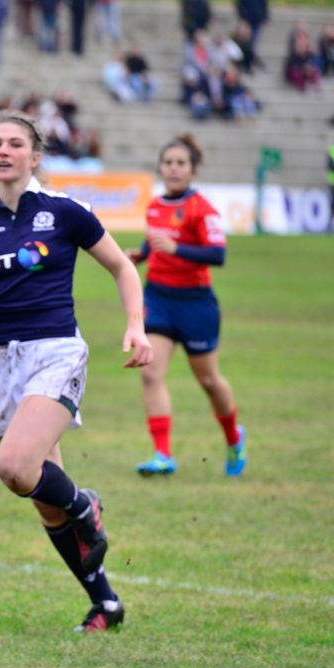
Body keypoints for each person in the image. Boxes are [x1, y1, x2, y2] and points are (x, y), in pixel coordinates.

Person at [0, 111, 153, 633]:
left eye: (15, 144)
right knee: (41, 498)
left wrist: (137, 326)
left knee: (14, 466)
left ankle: (86, 504)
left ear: (34, 157)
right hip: (0, 360)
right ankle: (106, 601)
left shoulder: (65, 211)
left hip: (55, 349)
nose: (3, 151)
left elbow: (122, 267)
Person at [124, 135, 246, 477]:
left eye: (181, 163)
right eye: (168, 163)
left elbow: (217, 255)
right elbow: (154, 242)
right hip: (158, 299)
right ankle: (163, 454)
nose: (174, 169)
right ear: (161, 168)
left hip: (196, 304)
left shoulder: (201, 208)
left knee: (208, 381)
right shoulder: (154, 206)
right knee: (150, 373)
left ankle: (234, 438)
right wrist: (140, 255)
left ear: (192, 170)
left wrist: (176, 249)